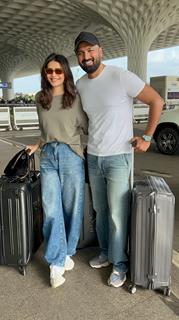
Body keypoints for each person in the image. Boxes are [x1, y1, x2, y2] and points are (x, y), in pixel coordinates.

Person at [74, 31, 164, 288]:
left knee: (117, 215)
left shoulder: (120, 76)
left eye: (90, 50)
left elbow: (156, 101)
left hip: (118, 158)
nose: (86, 56)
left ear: (100, 51)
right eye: (81, 53)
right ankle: (106, 252)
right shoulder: (81, 84)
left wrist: (147, 136)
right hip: (93, 156)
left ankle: (120, 264)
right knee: (100, 211)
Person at [26, 53, 88, 288]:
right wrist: (38, 144)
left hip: (71, 155)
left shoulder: (75, 98)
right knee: (51, 208)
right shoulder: (40, 98)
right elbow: (45, 131)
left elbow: (87, 126)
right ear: (44, 73)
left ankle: (68, 251)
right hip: (49, 156)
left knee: (72, 207)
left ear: (65, 73)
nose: (53, 75)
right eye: (49, 71)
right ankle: (55, 262)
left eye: (58, 71)